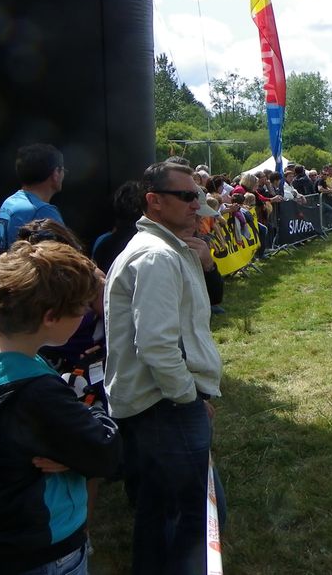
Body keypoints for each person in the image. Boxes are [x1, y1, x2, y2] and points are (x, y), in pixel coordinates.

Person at [104, 162, 225, 575]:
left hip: (162, 403)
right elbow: (157, 345)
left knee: (162, 513)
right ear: (153, 202)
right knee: (196, 520)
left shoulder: (170, 250)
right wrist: (188, 397)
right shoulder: (156, 257)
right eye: (188, 197)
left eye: (198, 196)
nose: (197, 206)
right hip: (164, 405)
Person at [0, 240, 121, 575]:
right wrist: (89, 421)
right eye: (81, 307)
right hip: (43, 551)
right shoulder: (38, 393)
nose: (87, 313)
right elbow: (107, 453)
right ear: (50, 316)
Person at [0, 143, 66, 254]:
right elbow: (68, 260)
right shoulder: (42, 211)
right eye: (62, 170)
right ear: (56, 173)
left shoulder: (9, 203)